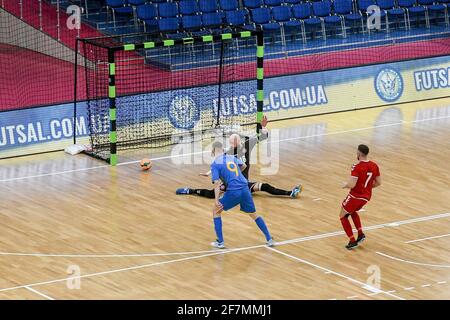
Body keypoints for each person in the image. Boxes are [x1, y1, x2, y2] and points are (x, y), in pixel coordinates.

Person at [176, 116, 302, 198]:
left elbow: (264, 136)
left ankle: (290, 193)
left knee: (265, 186)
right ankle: (190, 191)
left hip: (244, 183)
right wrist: (208, 173)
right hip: (233, 185)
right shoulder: (229, 153)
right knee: (213, 193)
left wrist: (263, 127)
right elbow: (217, 163)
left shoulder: (247, 144)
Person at [209, 141, 274, 249]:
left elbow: (216, 183)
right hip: (245, 188)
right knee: (253, 214)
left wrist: (216, 200)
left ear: (212, 151)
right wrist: (236, 175)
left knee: (216, 211)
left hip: (234, 191)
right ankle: (269, 239)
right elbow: (243, 166)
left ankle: (220, 242)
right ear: (223, 150)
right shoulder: (231, 157)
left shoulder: (215, 164)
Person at [340, 144, 381, 250]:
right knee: (352, 211)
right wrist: (366, 188)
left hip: (355, 195)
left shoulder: (356, 167)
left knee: (342, 216)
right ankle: (360, 233)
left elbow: (352, 185)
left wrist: (345, 185)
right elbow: (378, 183)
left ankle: (352, 241)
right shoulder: (374, 165)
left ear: (358, 153)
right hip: (366, 196)